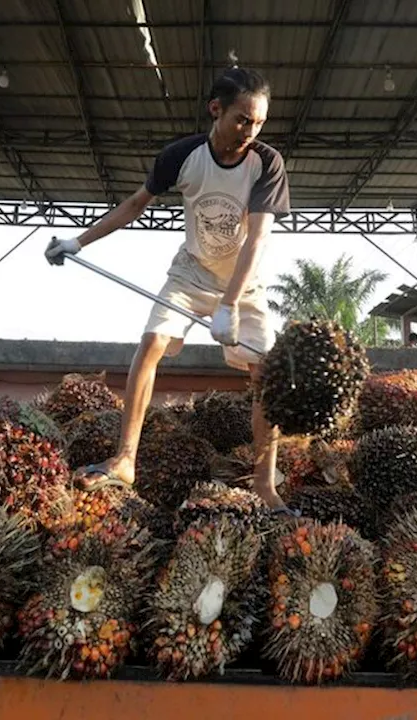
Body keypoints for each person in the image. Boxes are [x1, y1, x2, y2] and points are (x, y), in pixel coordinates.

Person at [44, 67, 293, 511]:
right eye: (242, 119)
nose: (250, 131)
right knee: (151, 344)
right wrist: (76, 241)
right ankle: (125, 460)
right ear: (216, 110)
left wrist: (231, 304)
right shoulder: (182, 156)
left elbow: (256, 239)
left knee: (265, 377)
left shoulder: (266, 163)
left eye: (258, 122)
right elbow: (135, 205)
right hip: (191, 271)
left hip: (244, 283)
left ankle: (263, 484)